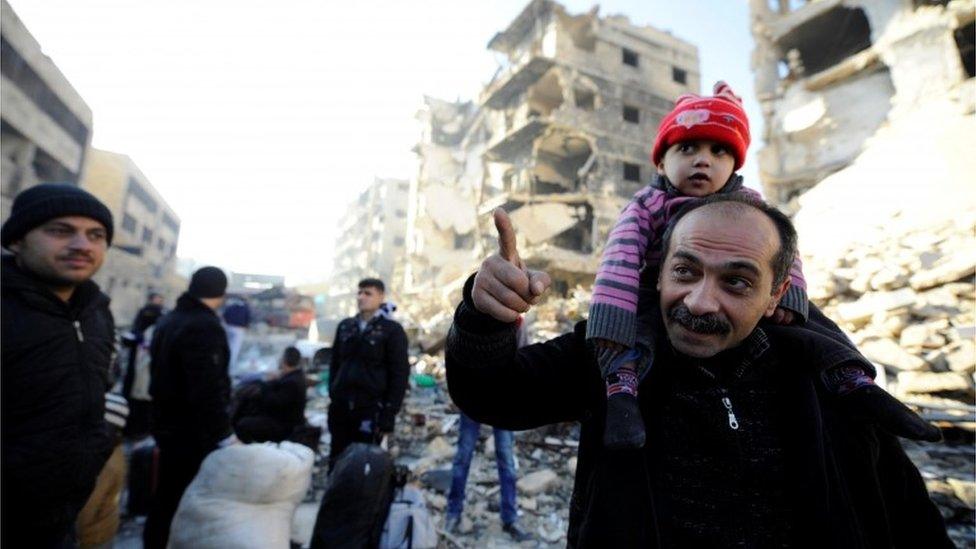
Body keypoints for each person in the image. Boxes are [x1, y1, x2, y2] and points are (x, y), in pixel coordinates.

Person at [445, 198, 950, 547]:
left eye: (737, 281)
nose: (700, 301)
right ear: (660, 271)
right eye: (685, 272)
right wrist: (484, 316)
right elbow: (493, 394)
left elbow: (909, 520)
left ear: (776, 294)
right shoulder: (614, 355)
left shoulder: (827, 380)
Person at [1, 183, 118, 548]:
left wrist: (100, 438)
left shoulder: (96, 312)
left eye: (95, 235)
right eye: (60, 231)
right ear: (17, 240)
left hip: (59, 522)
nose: (82, 245)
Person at [144, 266, 235, 549]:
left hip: (166, 421)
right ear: (221, 294)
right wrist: (224, 435)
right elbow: (206, 387)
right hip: (190, 431)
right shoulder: (204, 326)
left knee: (166, 494)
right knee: (180, 498)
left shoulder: (171, 319)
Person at [444, 320, 532, 542]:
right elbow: (456, 354)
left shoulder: (518, 322)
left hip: (503, 400)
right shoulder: (471, 318)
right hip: (473, 398)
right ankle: (453, 513)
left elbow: (525, 356)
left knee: (506, 459)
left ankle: (510, 518)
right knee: (463, 456)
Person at [328, 278, 409, 469]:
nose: (361, 297)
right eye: (359, 292)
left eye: (368, 293)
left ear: (381, 297)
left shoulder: (391, 330)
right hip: (341, 408)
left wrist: (389, 413)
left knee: (363, 465)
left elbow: (399, 374)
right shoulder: (346, 326)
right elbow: (335, 364)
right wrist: (333, 393)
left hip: (370, 409)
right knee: (337, 461)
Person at [234, 346, 308, 443]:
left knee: (243, 424)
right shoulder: (295, 376)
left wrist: (265, 386)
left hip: (284, 426)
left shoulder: (291, 382)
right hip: (284, 421)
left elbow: (273, 403)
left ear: (284, 360)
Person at [121, 292, 165, 439]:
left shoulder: (161, 318)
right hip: (139, 363)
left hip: (146, 367)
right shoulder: (148, 315)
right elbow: (135, 333)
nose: (159, 301)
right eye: (157, 299)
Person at [223, 293, 251, 372]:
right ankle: (231, 366)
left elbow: (225, 315)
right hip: (239, 329)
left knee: (228, 346)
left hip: (229, 328)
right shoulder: (245, 307)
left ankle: (227, 364)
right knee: (235, 349)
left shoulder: (231, 306)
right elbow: (248, 318)